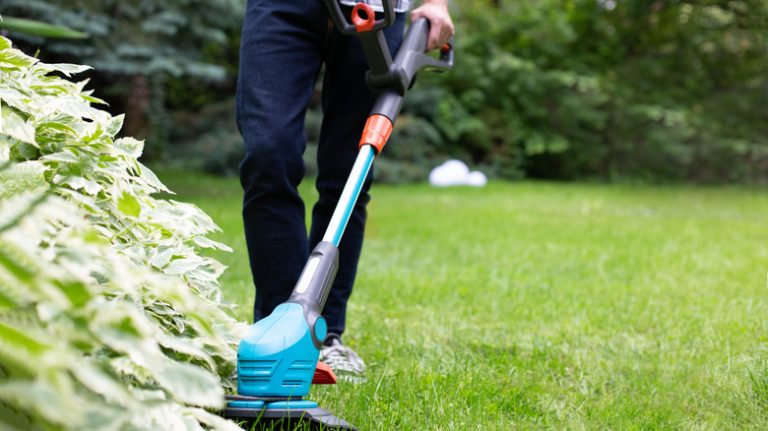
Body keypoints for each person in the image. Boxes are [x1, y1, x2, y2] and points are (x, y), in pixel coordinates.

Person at [237, 0, 454, 381]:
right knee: (268, 155)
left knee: (350, 174)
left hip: (375, 8)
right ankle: (277, 329)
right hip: (281, 7)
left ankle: (325, 334)